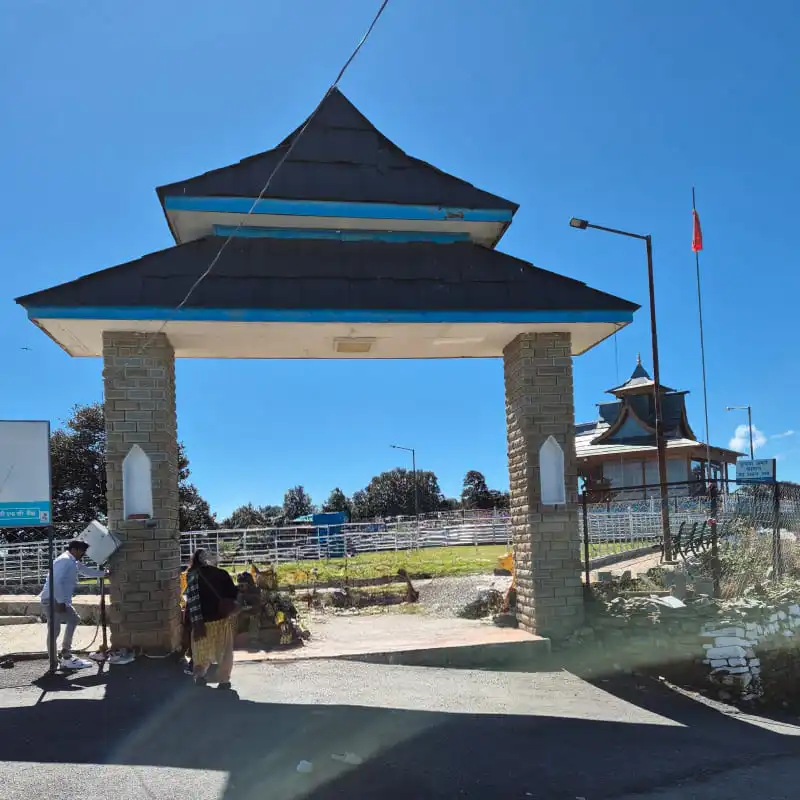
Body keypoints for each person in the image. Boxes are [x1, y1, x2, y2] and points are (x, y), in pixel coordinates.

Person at [39, 540, 107, 670]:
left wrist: (104, 574)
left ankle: (66, 653)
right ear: (74, 550)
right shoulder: (64, 560)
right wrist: (60, 601)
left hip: (58, 599)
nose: (83, 554)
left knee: (73, 619)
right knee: (54, 630)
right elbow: (55, 582)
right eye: (82, 551)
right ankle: (56, 662)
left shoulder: (72, 560)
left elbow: (85, 570)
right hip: (53, 599)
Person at [185, 549, 239, 689]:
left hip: (201, 623)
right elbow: (233, 595)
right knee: (224, 652)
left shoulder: (191, 576)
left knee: (200, 652)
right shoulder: (222, 573)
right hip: (221, 620)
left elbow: (190, 602)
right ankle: (224, 680)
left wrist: (188, 623)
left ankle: (200, 676)